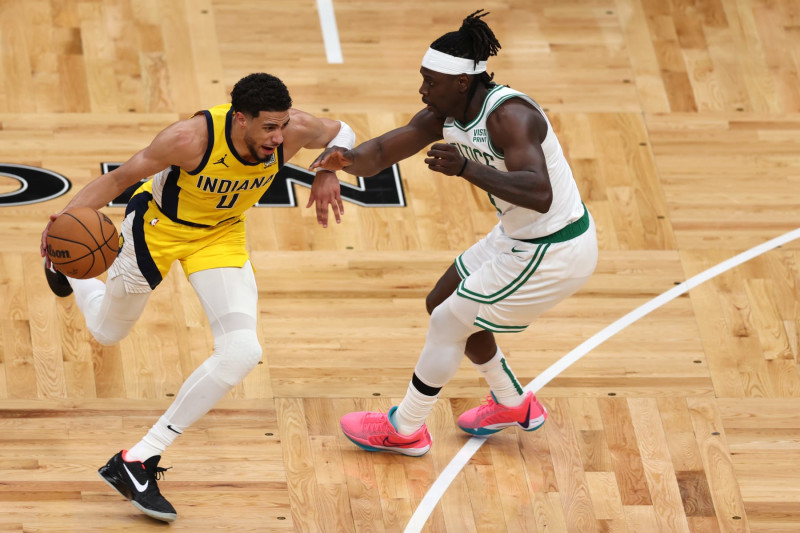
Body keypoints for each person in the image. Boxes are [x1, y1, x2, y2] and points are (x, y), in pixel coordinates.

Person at [40, 73, 355, 521]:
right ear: (240, 119)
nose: (279, 137)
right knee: (107, 333)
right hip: (157, 230)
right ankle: (67, 268)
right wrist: (60, 226)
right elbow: (119, 180)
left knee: (242, 351)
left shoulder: (295, 130)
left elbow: (344, 132)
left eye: (283, 125)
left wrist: (325, 169)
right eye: (268, 127)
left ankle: (137, 460)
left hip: (221, 236)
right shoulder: (188, 139)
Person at [311, 10, 598, 457]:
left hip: (553, 248)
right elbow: (385, 149)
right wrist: (343, 159)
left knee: (450, 320)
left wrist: (467, 168)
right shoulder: (442, 115)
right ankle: (513, 403)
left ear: (462, 83)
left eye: (430, 82)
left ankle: (405, 428)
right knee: (442, 303)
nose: (423, 90)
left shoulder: (512, 117)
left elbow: (539, 192)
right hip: (518, 237)